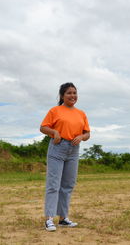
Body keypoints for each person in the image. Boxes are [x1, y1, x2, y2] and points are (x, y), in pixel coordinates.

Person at [40, 82, 90, 232]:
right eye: (69, 93)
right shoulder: (55, 111)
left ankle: (63, 218)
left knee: (68, 185)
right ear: (62, 96)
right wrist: (54, 132)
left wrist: (81, 137)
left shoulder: (81, 113)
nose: (72, 96)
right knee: (53, 184)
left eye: (74, 93)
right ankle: (49, 219)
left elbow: (87, 133)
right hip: (58, 148)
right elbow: (43, 127)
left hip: (74, 150)